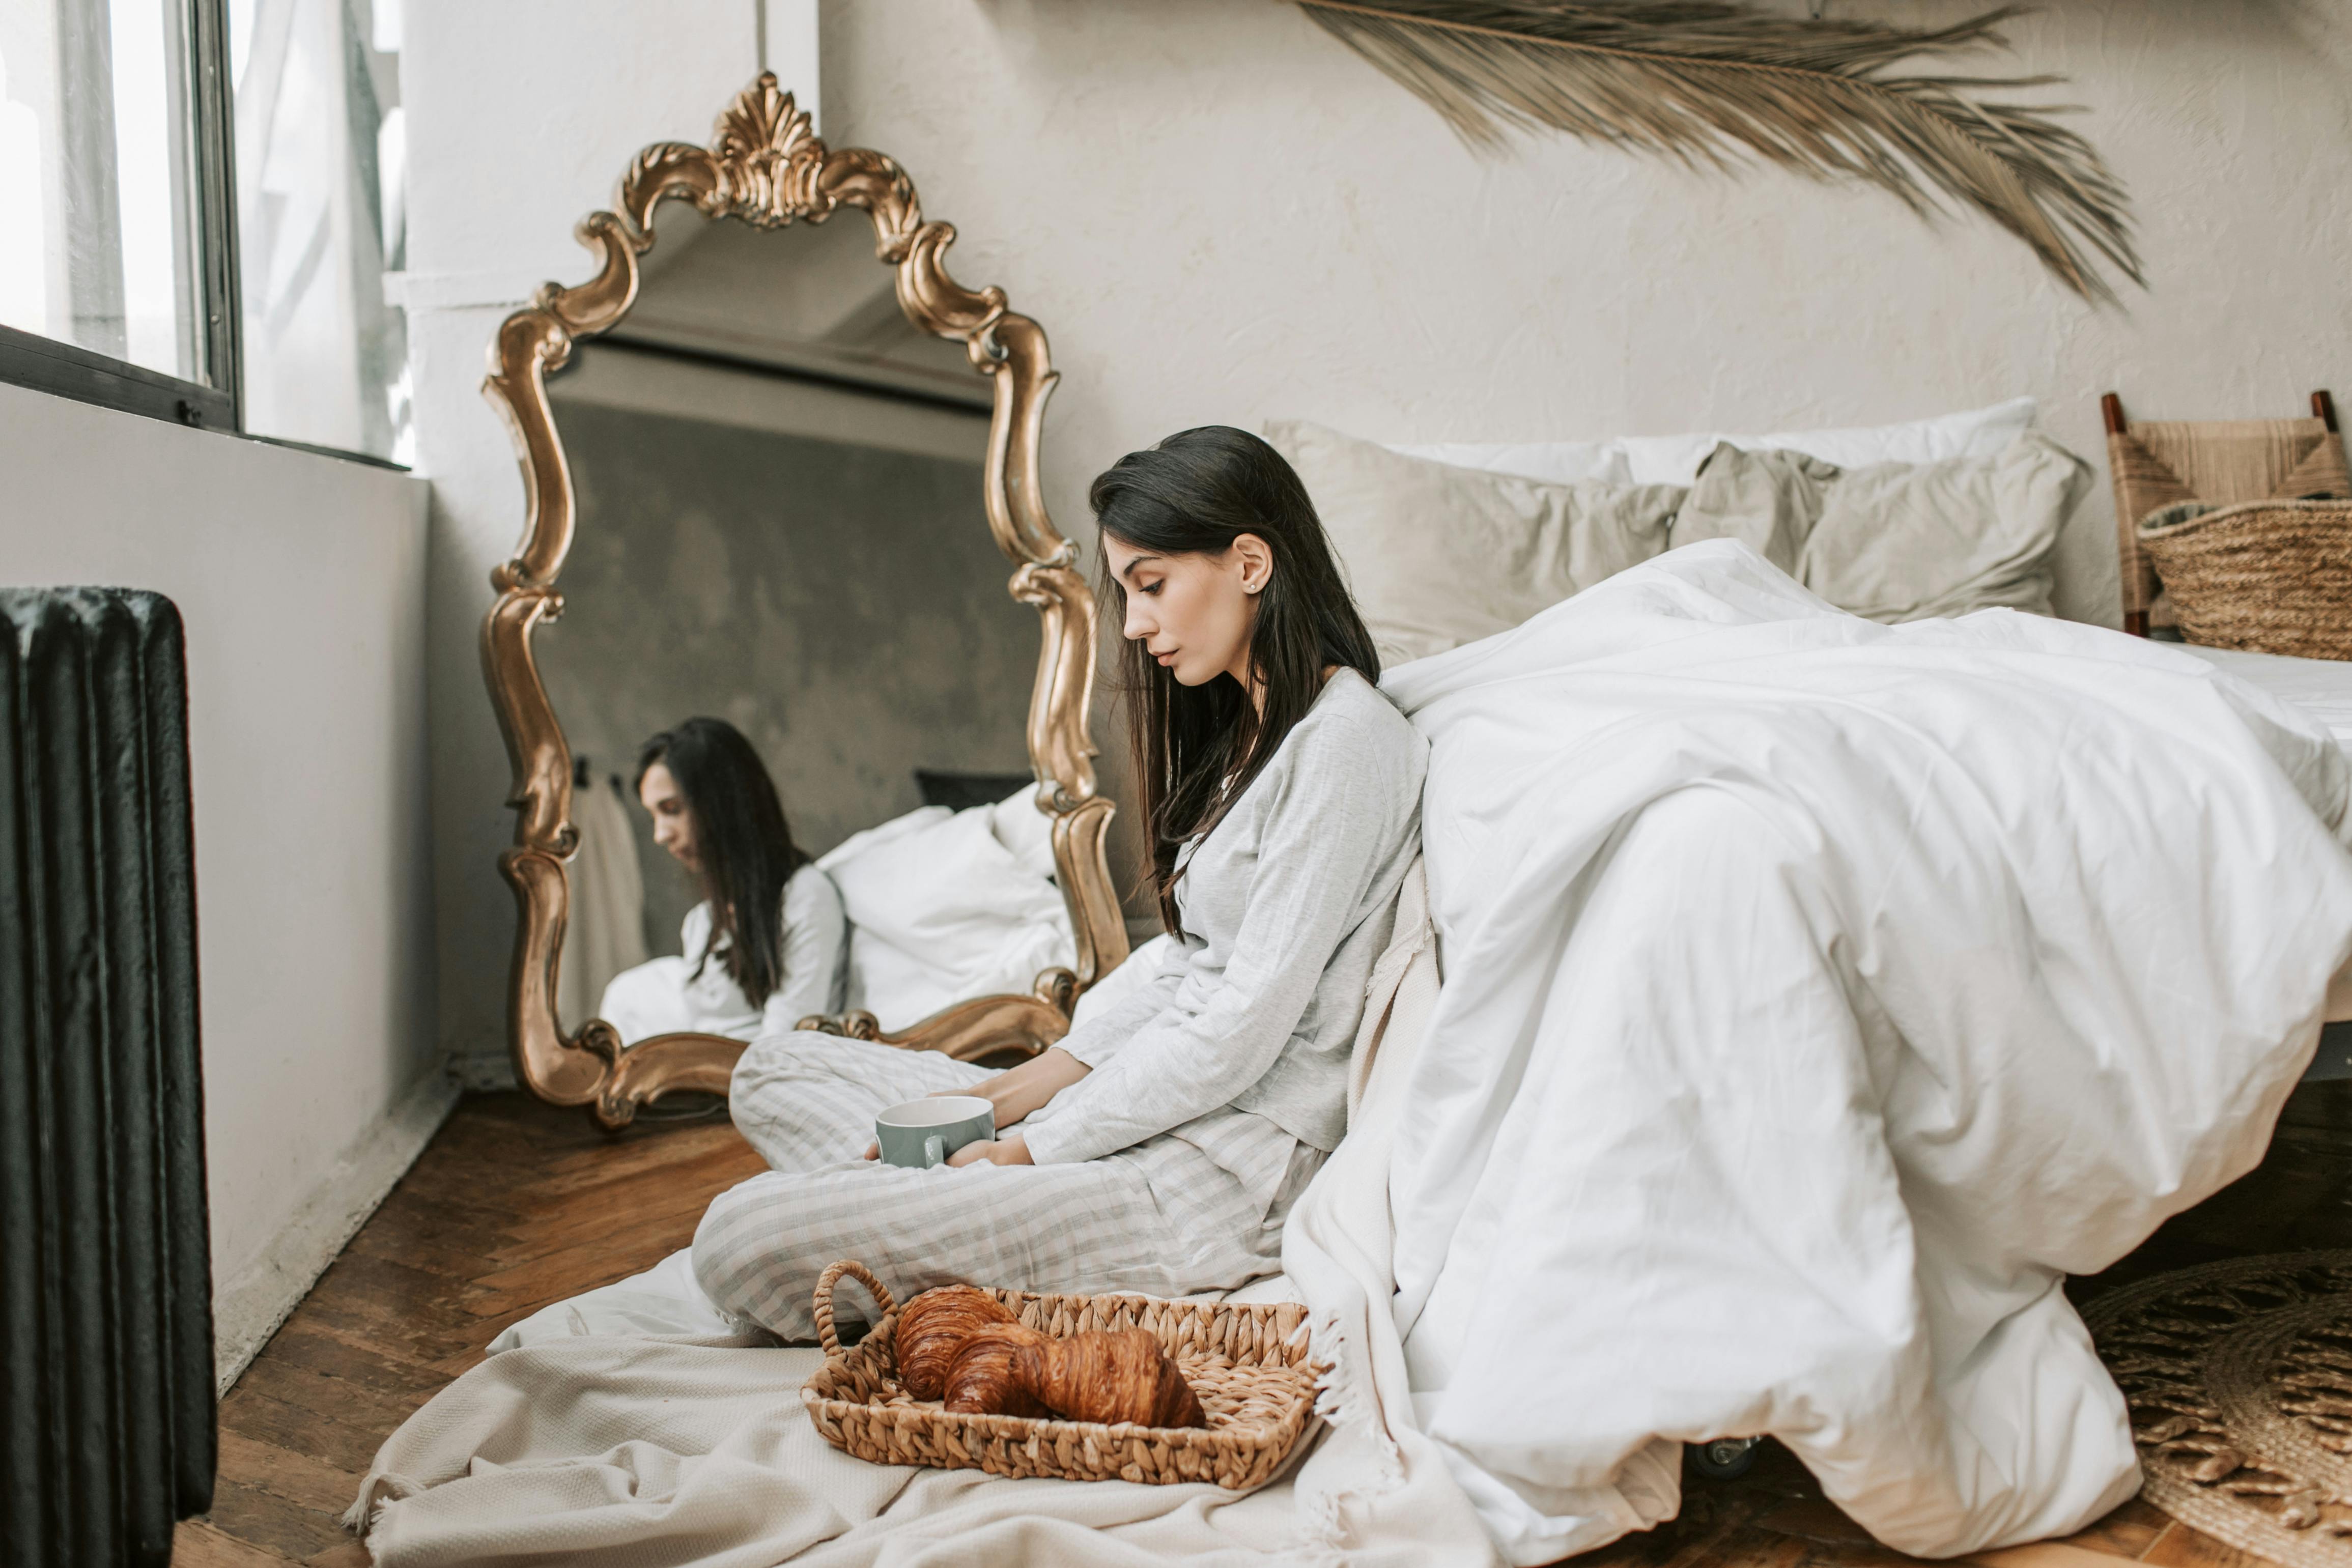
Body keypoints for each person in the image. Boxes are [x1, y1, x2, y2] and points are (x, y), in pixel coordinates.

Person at [692, 426, 1428, 1338]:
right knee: (774, 1067)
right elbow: (1185, 964)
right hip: (1135, 1101)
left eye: (1151, 586)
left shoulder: (1346, 743)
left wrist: (1036, 1147)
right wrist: (1008, 1094)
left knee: (736, 1239)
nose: (1134, 624)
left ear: (1249, 562)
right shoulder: (1249, 738)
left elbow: (1242, 1026)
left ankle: (885, 1203)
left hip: (1213, 1171)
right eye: (1126, 594)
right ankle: (896, 1196)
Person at [596, 717, 848, 1045]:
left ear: (723, 803)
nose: (660, 835)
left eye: (672, 809)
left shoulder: (805, 897)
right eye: (654, 816)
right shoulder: (702, 923)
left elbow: (783, 1046)